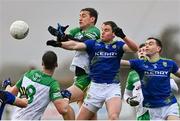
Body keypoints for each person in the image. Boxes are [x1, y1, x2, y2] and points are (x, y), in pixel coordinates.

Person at [47, 21, 138, 120]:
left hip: (112, 87)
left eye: (106, 30)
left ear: (114, 34)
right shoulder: (93, 44)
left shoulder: (119, 45)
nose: (102, 32)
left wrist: (123, 36)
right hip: (95, 88)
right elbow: (75, 45)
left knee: (113, 117)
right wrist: (60, 44)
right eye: (102, 30)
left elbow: (134, 48)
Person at [48, 8, 100, 119]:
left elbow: (83, 43)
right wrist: (59, 36)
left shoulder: (94, 31)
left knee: (61, 100)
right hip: (79, 77)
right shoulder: (77, 31)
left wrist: (65, 37)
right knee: (90, 117)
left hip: (88, 77)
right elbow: (67, 43)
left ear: (92, 19)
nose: (80, 18)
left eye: (84, 15)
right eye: (79, 15)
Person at [3, 51, 75, 120]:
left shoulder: (28, 74)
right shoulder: (52, 84)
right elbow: (62, 109)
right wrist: (66, 98)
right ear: (56, 65)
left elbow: (11, 93)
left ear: (42, 63)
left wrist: (7, 85)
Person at [121, 37, 180, 120]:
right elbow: (121, 63)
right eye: (146, 44)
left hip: (169, 105)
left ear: (158, 48)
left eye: (150, 44)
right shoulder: (139, 64)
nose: (146, 46)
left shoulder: (169, 63)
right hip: (152, 109)